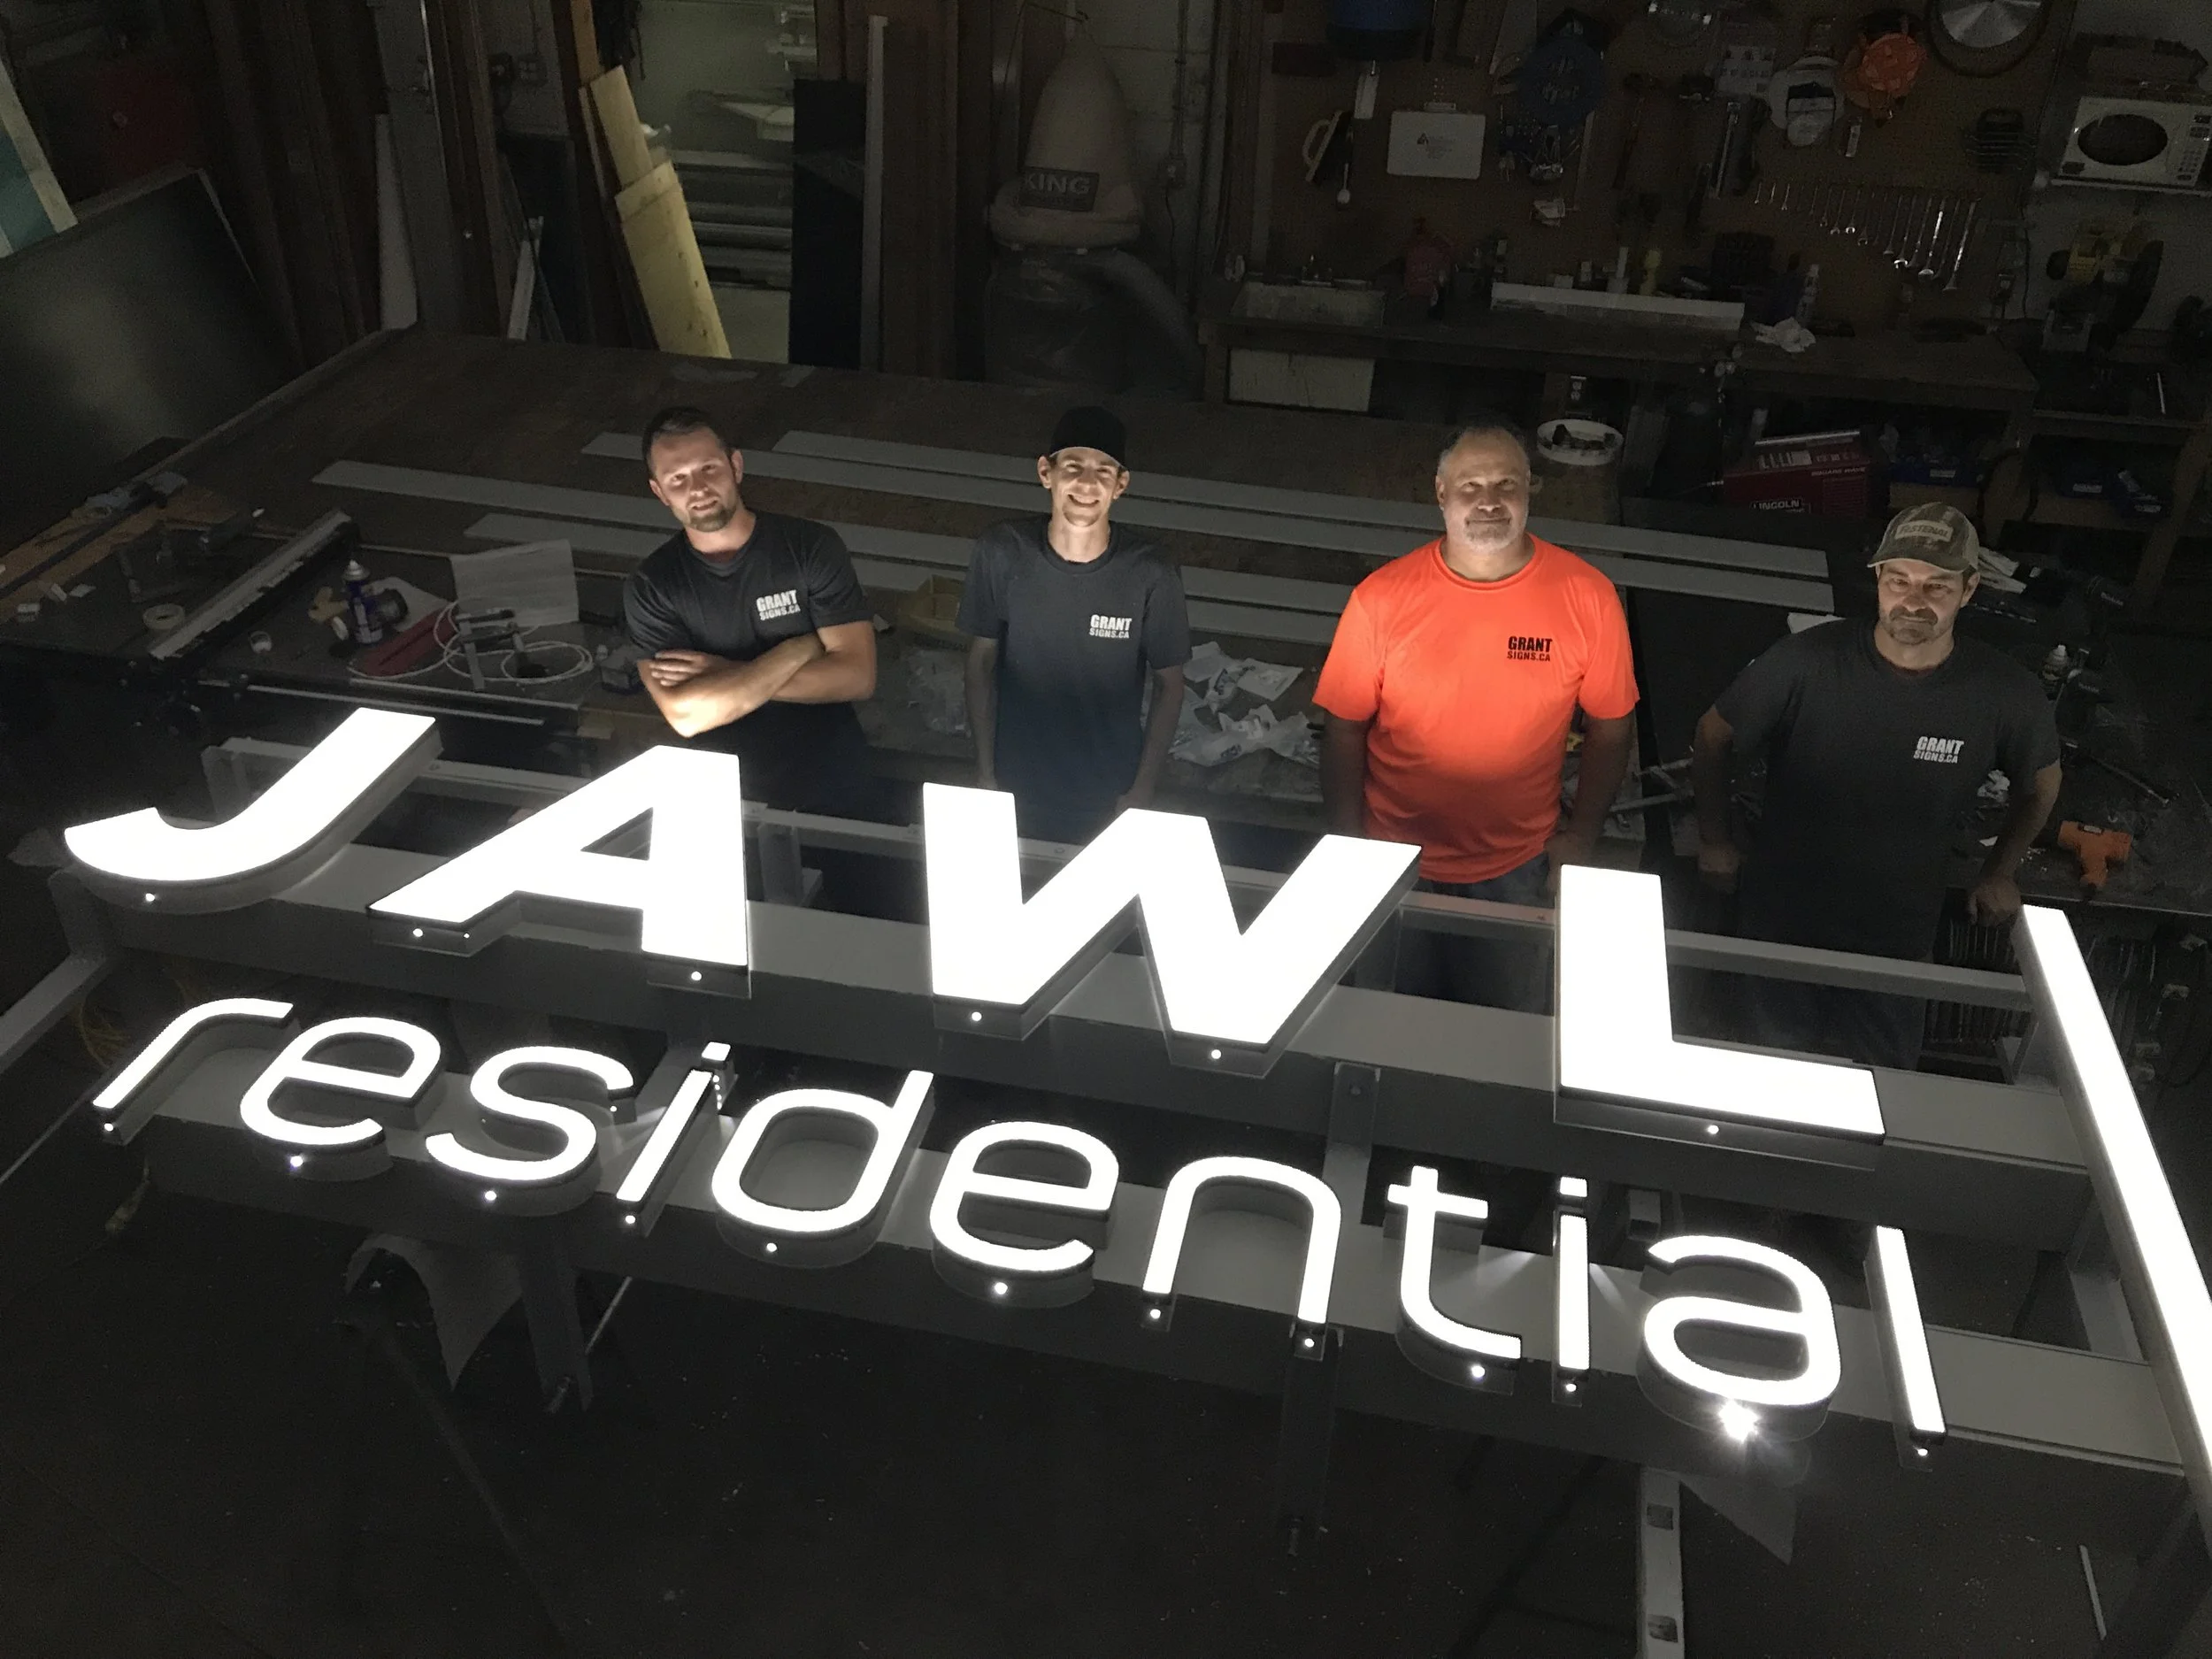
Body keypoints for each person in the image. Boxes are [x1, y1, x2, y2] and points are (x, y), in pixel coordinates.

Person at [1692, 503, 2062, 1071]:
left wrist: (2001, 872)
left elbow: (2042, 783)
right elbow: (1713, 734)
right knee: (1768, 1077)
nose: (1913, 601)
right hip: (1783, 917)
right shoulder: (1807, 661)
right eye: (1899, 581)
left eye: (1937, 586)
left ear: (1969, 590)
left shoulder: (2003, 693)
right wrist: (1715, 839)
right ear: (1879, 580)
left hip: (1898, 934)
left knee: (1886, 1089)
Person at [1314, 423, 1639, 1010]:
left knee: (1504, 1032)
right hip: (1392, 859)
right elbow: (1344, 726)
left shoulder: (1588, 597)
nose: (1489, 500)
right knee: (1383, 1025)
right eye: (1471, 485)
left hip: (1518, 867)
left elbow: (1612, 727)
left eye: (1506, 484)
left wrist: (1582, 836)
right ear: (1441, 493)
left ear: (1530, 489)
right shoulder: (1381, 598)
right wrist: (1346, 841)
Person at [623, 405, 880, 815]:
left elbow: (857, 677)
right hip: (724, 799)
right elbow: (686, 715)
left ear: (736, 466)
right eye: (678, 478)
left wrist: (724, 675)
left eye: (708, 468)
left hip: (834, 779)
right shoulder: (654, 586)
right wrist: (797, 649)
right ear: (660, 492)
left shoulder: (809, 548)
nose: (698, 488)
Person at [957, 405, 1191, 842]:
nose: (1087, 483)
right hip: (1015, 783)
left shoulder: (1150, 571)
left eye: (1104, 470)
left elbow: (1170, 684)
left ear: (1121, 485)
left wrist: (1141, 790)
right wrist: (986, 775)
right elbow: (980, 662)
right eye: (1073, 466)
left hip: (1109, 791)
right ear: (1045, 473)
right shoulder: (1001, 552)